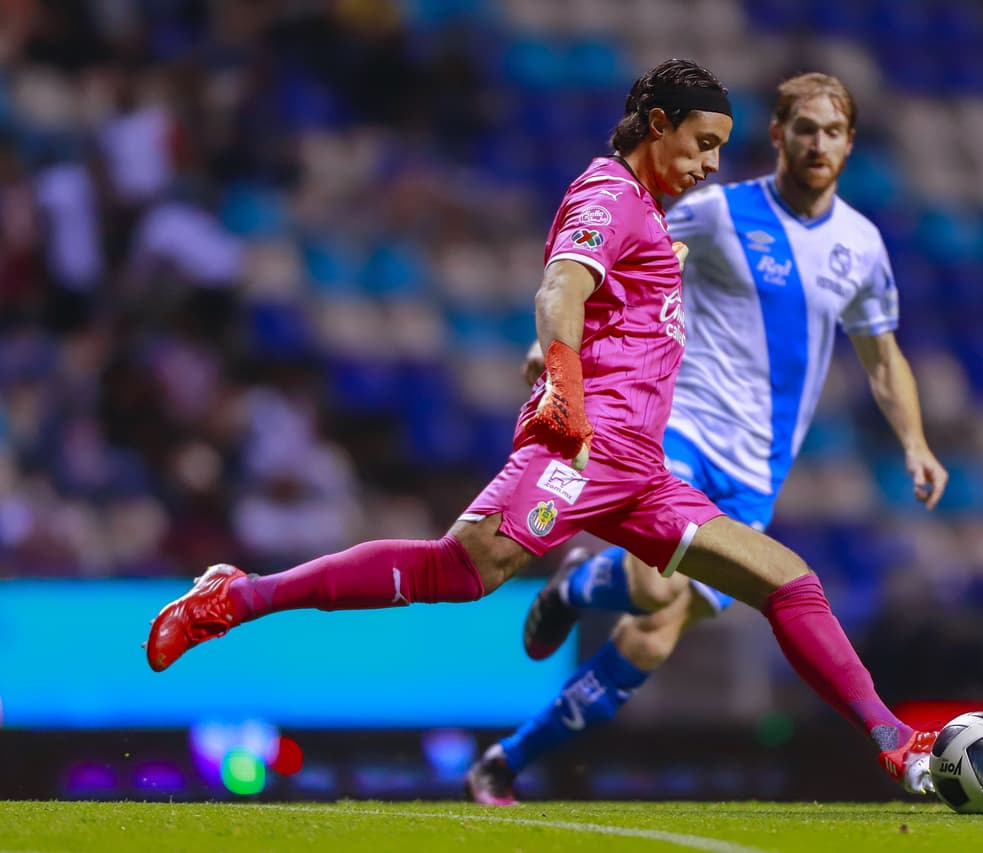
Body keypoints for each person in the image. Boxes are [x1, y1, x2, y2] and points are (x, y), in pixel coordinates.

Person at [145, 59, 936, 801]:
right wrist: (559, 371)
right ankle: (238, 596)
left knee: (788, 580)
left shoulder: (666, 215)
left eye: (718, 152)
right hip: (587, 447)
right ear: (656, 124)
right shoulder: (611, 196)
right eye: (700, 146)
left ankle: (895, 739)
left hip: (643, 472)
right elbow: (561, 284)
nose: (707, 165)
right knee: (457, 572)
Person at [464, 71, 949, 805]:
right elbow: (634, 265)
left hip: (760, 473)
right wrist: (565, 347)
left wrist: (915, 442)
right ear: (779, 134)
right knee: (655, 581)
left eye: (834, 131)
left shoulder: (862, 246)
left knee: (654, 636)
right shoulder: (720, 213)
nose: (819, 143)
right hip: (682, 430)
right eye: (805, 128)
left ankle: (507, 757)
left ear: (851, 145)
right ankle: (582, 583)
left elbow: (883, 357)